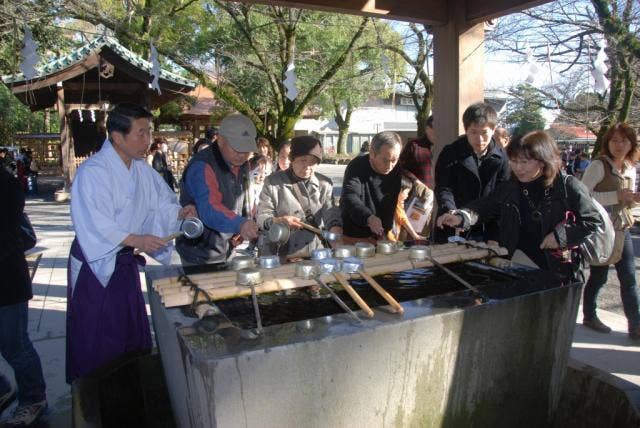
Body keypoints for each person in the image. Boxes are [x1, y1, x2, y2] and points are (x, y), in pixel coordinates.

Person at [67, 103, 196, 383]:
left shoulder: (141, 169)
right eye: (140, 133)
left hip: (123, 262)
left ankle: (127, 385)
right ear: (117, 136)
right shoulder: (93, 172)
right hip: (96, 262)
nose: (147, 140)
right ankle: (95, 393)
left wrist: (179, 212)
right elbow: (95, 220)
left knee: (128, 331)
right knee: (97, 332)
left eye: (148, 132)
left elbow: (161, 202)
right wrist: (136, 239)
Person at [436, 131, 601, 282]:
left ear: (544, 161)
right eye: (514, 161)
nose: (518, 167)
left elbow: (592, 220)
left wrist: (559, 237)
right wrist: (461, 216)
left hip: (558, 268)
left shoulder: (568, 186)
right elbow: (486, 206)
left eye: (525, 161)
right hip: (519, 262)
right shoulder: (511, 186)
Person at [580, 122, 640, 339]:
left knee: (629, 278)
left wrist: (633, 200)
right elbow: (583, 196)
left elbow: (627, 200)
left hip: (623, 228)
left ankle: (635, 324)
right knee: (599, 277)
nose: (619, 145)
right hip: (603, 231)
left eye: (624, 140)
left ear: (631, 143)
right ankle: (589, 315)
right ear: (607, 142)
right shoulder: (598, 165)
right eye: (614, 140)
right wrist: (616, 197)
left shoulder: (630, 167)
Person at [177, 113, 260, 267]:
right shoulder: (202, 166)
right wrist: (239, 224)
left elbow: (244, 199)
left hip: (227, 248)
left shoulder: (241, 164)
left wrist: (246, 223)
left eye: (247, 149)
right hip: (200, 253)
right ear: (220, 140)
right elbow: (210, 208)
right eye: (237, 148)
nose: (242, 155)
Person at [0, 167, 47, 426]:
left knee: (14, 345)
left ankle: (33, 398)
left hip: (7, 281)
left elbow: (9, 232)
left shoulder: (5, 183)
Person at [433, 102, 510, 243]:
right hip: (453, 220)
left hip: (487, 226)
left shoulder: (502, 158)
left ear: (493, 130)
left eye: (484, 133)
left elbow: (500, 195)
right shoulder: (451, 152)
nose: (479, 139)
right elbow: (444, 187)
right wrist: (451, 210)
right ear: (466, 129)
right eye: (474, 132)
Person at [257, 136, 341, 258]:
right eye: (303, 160)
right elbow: (262, 217)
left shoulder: (325, 184)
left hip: (313, 252)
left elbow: (331, 212)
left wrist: (335, 228)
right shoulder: (273, 182)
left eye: (313, 162)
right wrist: (280, 221)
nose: (308, 166)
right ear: (293, 159)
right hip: (281, 253)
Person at [340, 131, 402, 244]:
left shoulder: (397, 169)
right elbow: (350, 196)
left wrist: (386, 229)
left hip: (379, 234)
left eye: (394, 160)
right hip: (353, 233)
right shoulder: (357, 166)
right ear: (372, 153)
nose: (390, 166)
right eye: (385, 160)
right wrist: (369, 218)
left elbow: (391, 202)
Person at [399, 115, 435, 189]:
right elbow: (401, 168)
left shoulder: (446, 147)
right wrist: (415, 181)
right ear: (427, 129)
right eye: (436, 130)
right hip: (419, 194)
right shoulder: (414, 146)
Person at [387, 175, 426, 242]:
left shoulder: (399, 205)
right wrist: (415, 236)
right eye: (406, 193)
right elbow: (403, 219)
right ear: (398, 191)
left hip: (393, 240)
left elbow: (404, 219)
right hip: (389, 241)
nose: (407, 196)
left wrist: (415, 236)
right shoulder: (393, 205)